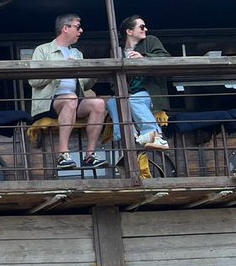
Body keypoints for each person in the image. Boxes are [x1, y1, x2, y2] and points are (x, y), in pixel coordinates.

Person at [30, 14, 109, 170]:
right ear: (65, 28)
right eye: (77, 27)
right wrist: (62, 69)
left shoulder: (77, 53)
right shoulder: (43, 50)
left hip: (73, 101)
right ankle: (63, 155)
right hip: (48, 102)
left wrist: (94, 74)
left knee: (98, 103)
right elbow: (33, 81)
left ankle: (90, 156)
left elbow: (84, 85)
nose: (81, 30)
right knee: (71, 98)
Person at [113, 15, 171, 149]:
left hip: (150, 94)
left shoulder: (151, 41)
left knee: (132, 100)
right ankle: (129, 136)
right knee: (112, 102)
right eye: (142, 27)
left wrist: (144, 57)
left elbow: (166, 58)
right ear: (129, 31)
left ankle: (155, 135)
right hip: (131, 95)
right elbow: (113, 81)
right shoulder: (117, 52)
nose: (146, 29)